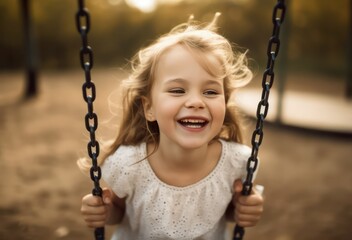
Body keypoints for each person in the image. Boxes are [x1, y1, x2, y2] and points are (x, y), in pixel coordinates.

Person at [79, 13, 264, 240]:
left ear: (224, 103)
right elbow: (118, 211)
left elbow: (229, 213)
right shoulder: (129, 165)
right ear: (149, 108)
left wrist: (244, 208)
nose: (196, 101)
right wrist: (104, 212)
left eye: (211, 91)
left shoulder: (236, 163)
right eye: (177, 90)